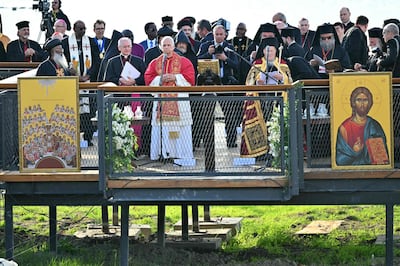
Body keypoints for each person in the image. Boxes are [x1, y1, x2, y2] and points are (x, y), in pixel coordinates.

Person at [144, 36, 195, 161]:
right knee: (162, 128)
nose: (166, 47)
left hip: (179, 104)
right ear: (160, 47)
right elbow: (148, 79)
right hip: (161, 104)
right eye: (164, 45)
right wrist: (160, 79)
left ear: (173, 46)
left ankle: (181, 154)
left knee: (181, 128)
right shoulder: (155, 62)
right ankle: (163, 154)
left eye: (169, 45)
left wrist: (175, 78)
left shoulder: (184, 61)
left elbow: (190, 79)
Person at [240, 37, 291, 158]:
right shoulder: (257, 64)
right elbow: (249, 81)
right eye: (267, 51)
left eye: (272, 51)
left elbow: (289, 80)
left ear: (276, 51)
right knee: (263, 123)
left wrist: (282, 78)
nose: (269, 53)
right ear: (263, 51)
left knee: (276, 124)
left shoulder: (282, 64)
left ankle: (277, 151)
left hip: (278, 100)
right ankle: (261, 152)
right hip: (261, 101)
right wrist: (258, 81)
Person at [197, 24, 241, 148]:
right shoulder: (205, 45)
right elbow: (196, 61)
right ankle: (207, 143)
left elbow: (237, 66)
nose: (219, 36)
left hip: (225, 83)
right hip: (208, 84)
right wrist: (207, 53)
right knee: (206, 115)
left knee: (229, 113)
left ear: (225, 35)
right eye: (217, 34)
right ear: (213, 34)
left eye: (221, 34)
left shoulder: (229, 47)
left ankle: (231, 141)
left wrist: (225, 58)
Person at [104, 37, 146, 151]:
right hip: (119, 98)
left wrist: (134, 81)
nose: (127, 49)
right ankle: (120, 149)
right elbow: (107, 79)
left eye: (129, 46)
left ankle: (137, 150)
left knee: (136, 123)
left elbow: (145, 78)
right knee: (119, 124)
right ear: (119, 48)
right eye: (124, 47)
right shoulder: (112, 61)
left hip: (134, 97)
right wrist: (119, 81)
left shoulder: (138, 61)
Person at [336, 86, 389, 166]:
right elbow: (340, 160)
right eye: (359, 100)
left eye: (365, 100)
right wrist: (354, 152)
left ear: (370, 103)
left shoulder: (374, 126)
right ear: (353, 102)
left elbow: (381, 158)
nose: (362, 103)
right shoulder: (344, 128)